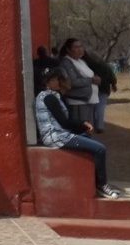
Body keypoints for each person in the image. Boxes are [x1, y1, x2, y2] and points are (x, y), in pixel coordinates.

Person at [35, 68, 121, 199]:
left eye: (57, 78)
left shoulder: (49, 96)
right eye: (54, 79)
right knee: (99, 149)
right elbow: (64, 122)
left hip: (57, 135)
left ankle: (95, 181)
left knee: (88, 139)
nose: (58, 81)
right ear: (47, 82)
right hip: (56, 137)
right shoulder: (49, 97)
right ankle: (102, 185)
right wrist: (83, 124)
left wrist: (82, 127)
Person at [58, 38, 100, 127]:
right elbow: (73, 82)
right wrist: (91, 80)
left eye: (81, 46)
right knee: (82, 128)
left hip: (88, 100)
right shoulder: (67, 63)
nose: (80, 49)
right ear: (68, 50)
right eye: (76, 47)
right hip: (78, 101)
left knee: (89, 127)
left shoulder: (81, 61)